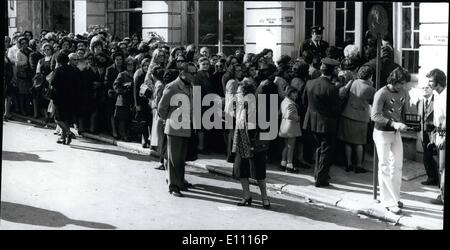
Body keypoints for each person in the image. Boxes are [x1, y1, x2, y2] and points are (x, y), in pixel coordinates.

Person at [371, 67, 411, 214]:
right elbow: (375, 116)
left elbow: (405, 112)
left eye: (404, 83)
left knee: (397, 166)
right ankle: (387, 201)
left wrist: (411, 122)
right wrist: (393, 123)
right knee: (385, 166)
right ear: (393, 80)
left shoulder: (404, 92)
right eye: (400, 83)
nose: (403, 86)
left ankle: (395, 197)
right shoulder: (381, 93)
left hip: (396, 133)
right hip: (382, 133)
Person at [158, 62, 197, 197]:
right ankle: (173, 186)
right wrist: (169, 119)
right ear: (182, 73)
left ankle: (180, 181)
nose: (194, 75)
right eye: (191, 73)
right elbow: (161, 108)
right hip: (174, 127)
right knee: (173, 158)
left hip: (186, 126)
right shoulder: (172, 87)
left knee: (181, 158)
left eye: (195, 73)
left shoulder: (190, 87)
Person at [303, 57, 342, 187]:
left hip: (312, 121)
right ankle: (321, 178)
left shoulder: (310, 83)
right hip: (326, 123)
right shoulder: (332, 88)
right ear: (332, 72)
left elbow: (304, 102)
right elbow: (336, 108)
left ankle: (318, 173)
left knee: (319, 148)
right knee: (326, 150)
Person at [232, 81, 271, 209]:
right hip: (241, 143)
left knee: (259, 173)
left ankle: (264, 198)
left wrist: (255, 144)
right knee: (241, 171)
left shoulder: (257, 107)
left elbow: (263, 128)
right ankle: (246, 196)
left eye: (238, 92)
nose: (236, 95)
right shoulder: (239, 107)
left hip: (255, 145)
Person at [337, 65, 376, 173]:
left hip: (347, 114)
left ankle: (349, 164)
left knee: (348, 142)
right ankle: (359, 165)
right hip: (361, 118)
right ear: (370, 76)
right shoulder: (371, 89)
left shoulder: (352, 82)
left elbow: (342, 93)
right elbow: (373, 102)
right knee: (359, 143)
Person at [50, 50, 80, 145]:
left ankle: (68, 132)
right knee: (65, 119)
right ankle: (63, 138)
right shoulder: (74, 70)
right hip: (71, 98)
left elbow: (53, 82)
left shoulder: (58, 70)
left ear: (58, 61)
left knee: (57, 118)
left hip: (60, 97)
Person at [427, 69, 446, 205]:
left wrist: (444, 137)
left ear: (438, 82)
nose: (429, 83)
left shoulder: (444, 96)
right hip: (438, 133)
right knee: (441, 167)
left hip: (444, 134)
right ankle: (442, 194)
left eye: (431, 80)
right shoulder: (437, 94)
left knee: (443, 167)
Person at [416, 81, 439, 186]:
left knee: (436, 156)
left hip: (434, 133)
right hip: (423, 133)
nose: (424, 89)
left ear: (432, 89)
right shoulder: (419, 102)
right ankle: (431, 178)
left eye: (427, 88)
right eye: (423, 88)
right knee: (426, 156)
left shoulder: (437, 101)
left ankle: (438, 179)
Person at [113, 57, 137, 142]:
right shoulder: (122, 74)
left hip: (132, 99)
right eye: (128, 64)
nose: (130, 66)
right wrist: (123, 90)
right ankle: (123, 135)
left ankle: (129, 134)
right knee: (122, 119)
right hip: (123, 99)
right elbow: (116, 86)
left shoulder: (135, 74)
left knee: (130, 118)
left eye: (132, 64)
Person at [279, 86, 302, 172]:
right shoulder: (290, 103)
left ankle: (283, 163)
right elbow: (290, 115)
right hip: (291, 128)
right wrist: (298, 118)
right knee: (291, 147)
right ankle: (289, 166)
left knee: (286, 146)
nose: (296, 95)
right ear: (290, 93)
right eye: (294, 93)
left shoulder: (284, 101)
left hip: (284, 126)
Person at [133, 58, 152, 148]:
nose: (146, 67)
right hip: (141, 102)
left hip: (150, 101)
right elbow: (136, 91)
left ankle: (149, 139)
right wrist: (137, 105)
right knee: (143, 121)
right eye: (144, 65)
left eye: (148, 66)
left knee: (150, 121)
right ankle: (144, 138)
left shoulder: (151, 76)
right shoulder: (139, 75)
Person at [105, 52, 124, 138]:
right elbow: (106, 82)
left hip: (122, 93)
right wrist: (112, 89)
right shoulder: (109, 69)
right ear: (114, 60)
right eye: (117, 59)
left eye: (120, 59)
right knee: (112, 112)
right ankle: (114, 131)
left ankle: (120, 131)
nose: (119, 61)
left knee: (120, 113)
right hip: (112, 94)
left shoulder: (124, 68)